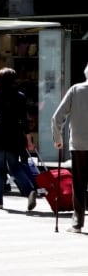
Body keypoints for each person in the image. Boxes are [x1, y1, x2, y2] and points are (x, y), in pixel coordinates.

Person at [0, 67, 36, 210]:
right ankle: (29, 190)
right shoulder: (20, 96)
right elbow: (24, 121)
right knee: (14, 167)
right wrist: (29, 139)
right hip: (15, 135)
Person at [51, 62, 88, 233]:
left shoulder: (75, 90)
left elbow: (57, 116)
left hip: (79, 143)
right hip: (79, 143)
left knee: (79, 183)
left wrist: (58, 138)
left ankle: (77, 223)